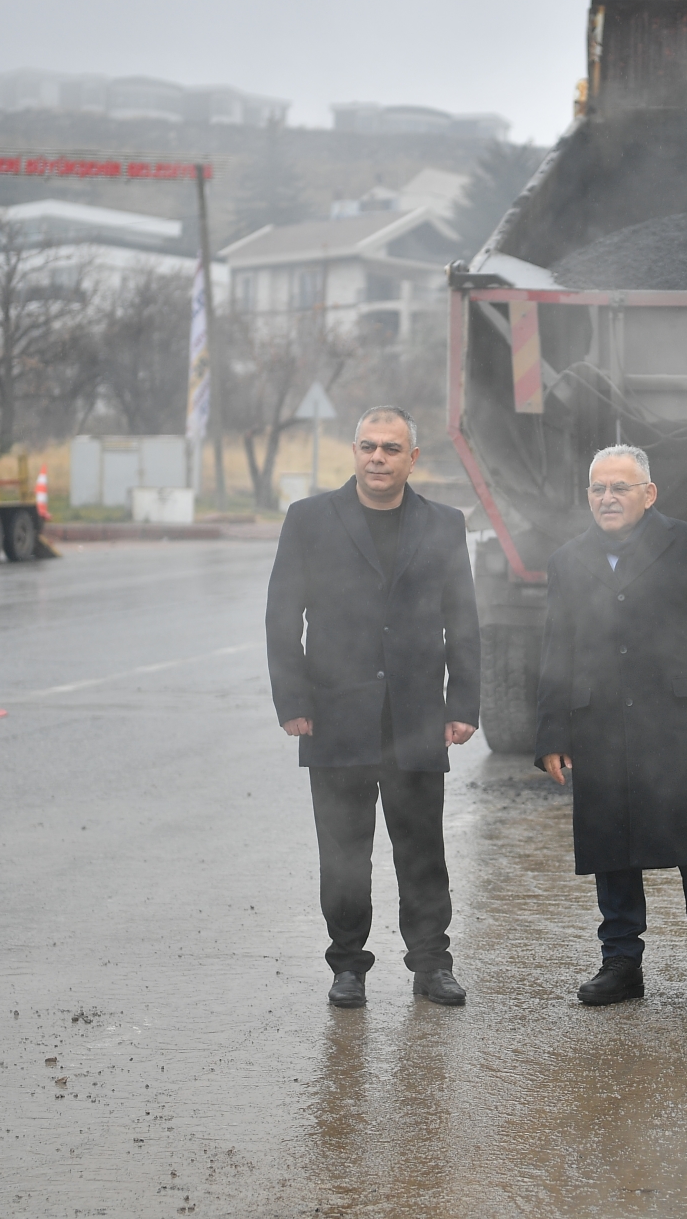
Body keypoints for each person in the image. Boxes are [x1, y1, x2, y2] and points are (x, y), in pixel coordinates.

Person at [266, 406, 480, 1009]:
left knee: (422, 850)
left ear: (413, 458)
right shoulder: (310, 520)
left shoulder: (443, 523)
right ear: (354, 453)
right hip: (336, 715)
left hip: (415, 717)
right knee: (342, 853)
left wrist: (462, 701)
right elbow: (282, 615)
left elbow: (462, 619)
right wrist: (293, 700)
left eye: (391, 448)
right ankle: (348, 966)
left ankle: (432, 965)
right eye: (368, 447)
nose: (378, 458)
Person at [536, 445, 687, 1007]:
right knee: (613, 844)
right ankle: (620, 963)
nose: (607, 498)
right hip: (600, 721)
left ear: (648, 494)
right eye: (598, 489)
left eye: (620, 488)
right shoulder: (567, 560)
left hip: (682, 718)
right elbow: (557, 649)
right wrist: (552, 734)